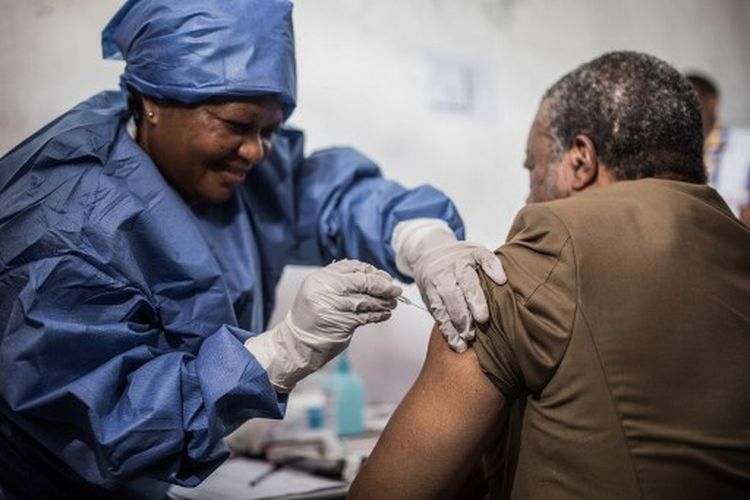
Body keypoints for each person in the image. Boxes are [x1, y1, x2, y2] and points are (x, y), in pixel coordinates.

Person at [0, 0, 506, 498]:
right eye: (239, 125)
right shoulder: (69, 227)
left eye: (271, 130)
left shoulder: (243, 171)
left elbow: (332, 193)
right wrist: (280, 352)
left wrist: (422, 239)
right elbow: (104, 428)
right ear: (154, 101)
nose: (257, 151)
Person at [350, 51, 750, 499]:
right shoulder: (737, 244)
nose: (529, 195)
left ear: (581, 161)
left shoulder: (545, 255)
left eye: (533, 167)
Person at [686, 72, 750, 225]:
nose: (686, 108)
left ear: (712, 101)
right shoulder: (673, 150)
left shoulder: (745, 143)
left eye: (693, 100)